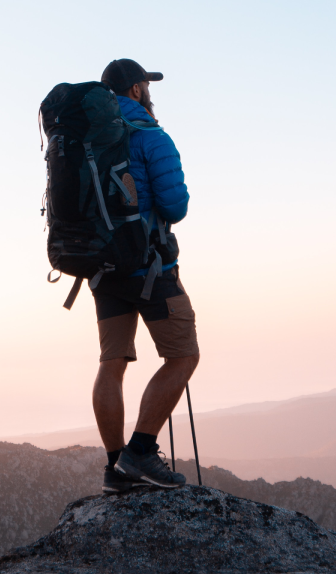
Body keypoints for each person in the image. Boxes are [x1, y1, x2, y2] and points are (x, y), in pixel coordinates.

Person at [93, 58, 200, 494]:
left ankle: (115, 467)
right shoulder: (151, 136)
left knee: (111, 363)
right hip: (150, 266)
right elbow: (175, 207)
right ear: (136, 90)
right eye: (145, 84)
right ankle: (141, 451)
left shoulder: (89, 138)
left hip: (101, 268)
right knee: (183, 356)